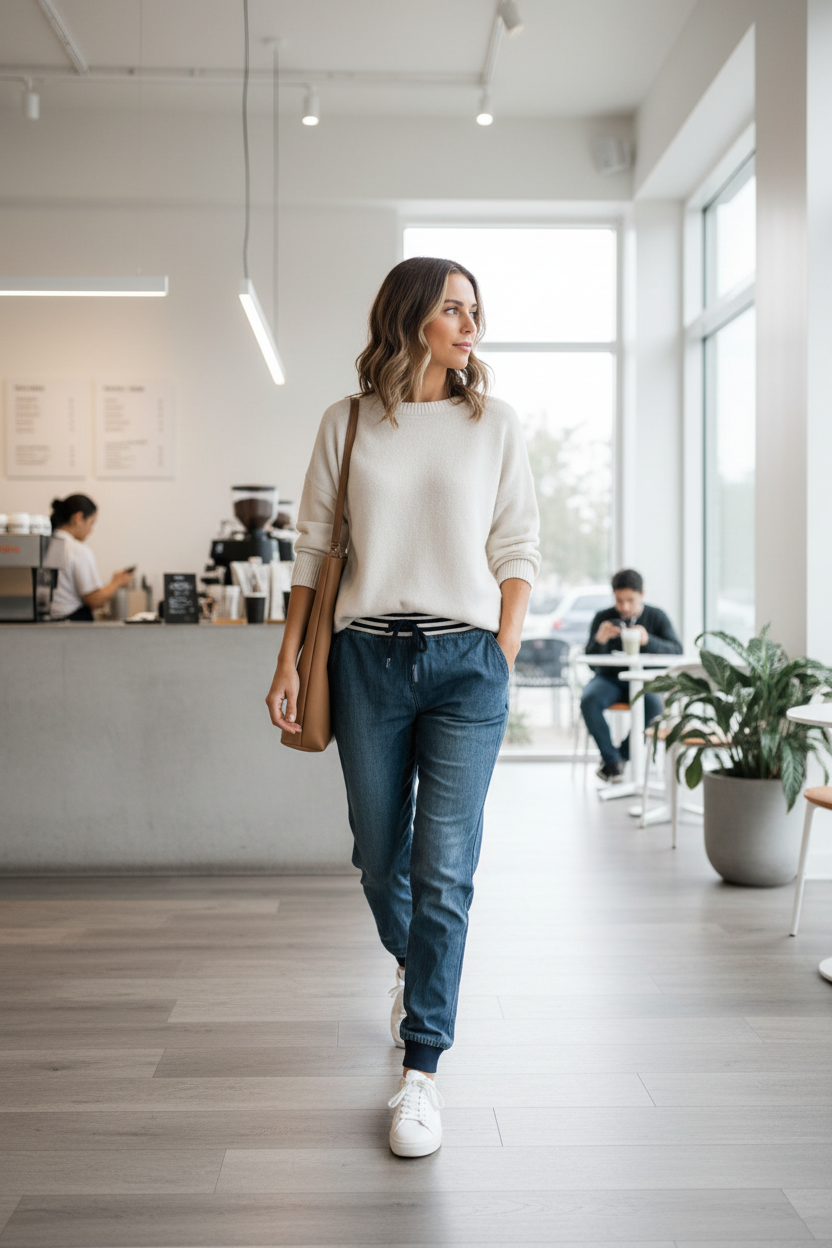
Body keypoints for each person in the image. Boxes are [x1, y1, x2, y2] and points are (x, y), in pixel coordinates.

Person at [265, 256, 540, 1158]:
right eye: (454, 309)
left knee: (446, 868)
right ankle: (413, 964)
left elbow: (517, 550)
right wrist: (289, 660)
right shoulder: (346, 425)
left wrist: (497, 656)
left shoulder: (494, 425)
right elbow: (314, 549)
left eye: (476, 311)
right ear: (410, 317)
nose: (471, 326)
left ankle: (421, 1070)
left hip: (466, 667)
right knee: (381, 857)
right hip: (365, 661)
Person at [581, 568, 682, 782]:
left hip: (644, 681)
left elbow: (676, 651)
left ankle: (619, 759)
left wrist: (648, 640)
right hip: (609, 680)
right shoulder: (603, 618)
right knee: (589, 699)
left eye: (630, 600)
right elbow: (590, 662)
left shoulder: (657, 616)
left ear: (642, 594)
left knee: (654, 706)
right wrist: (599, 640)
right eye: (619, 601)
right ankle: (611, 760)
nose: (624, 607)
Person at [48, 494, 132, 622]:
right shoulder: (77, 550)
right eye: (91, 523)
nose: (91, 530)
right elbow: (94, 600)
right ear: (78, 517)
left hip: (47, 623)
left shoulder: (44, 544)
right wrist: (117, 581)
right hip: (72, 624)